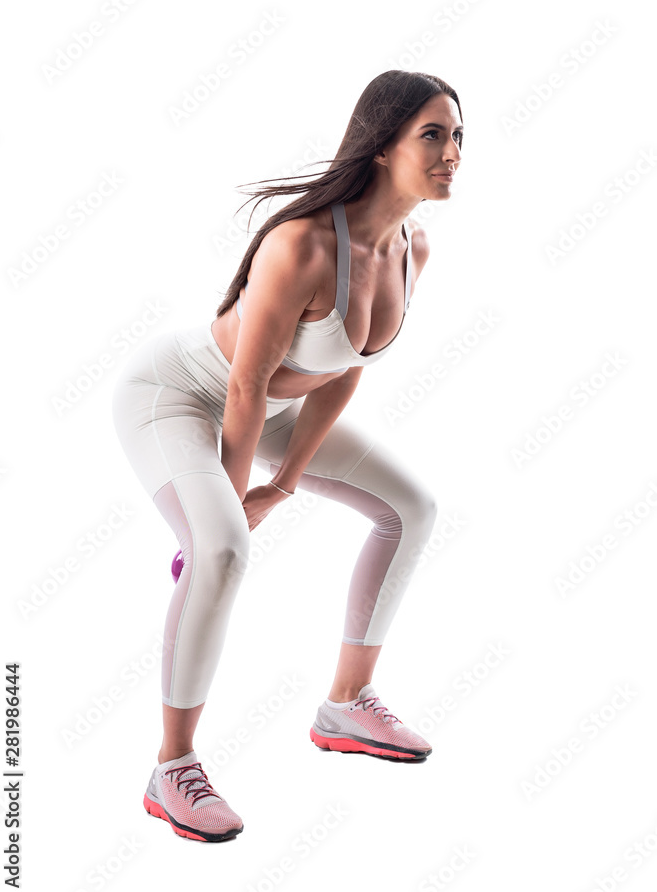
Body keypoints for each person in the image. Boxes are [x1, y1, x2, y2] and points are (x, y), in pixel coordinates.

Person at [111, 69, 463, 842]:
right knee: (225, 553)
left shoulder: (412, 245)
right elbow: (242, 389)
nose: (451, 152)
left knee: (412, 507)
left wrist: (287, 484)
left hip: (271, 403)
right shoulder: (301, 243)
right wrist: (234, 513)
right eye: (431, 135)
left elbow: (343, 372)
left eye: (457, 136)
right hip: (178, 392)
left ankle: (346, 702)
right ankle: (171, 769)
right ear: (380, 146)